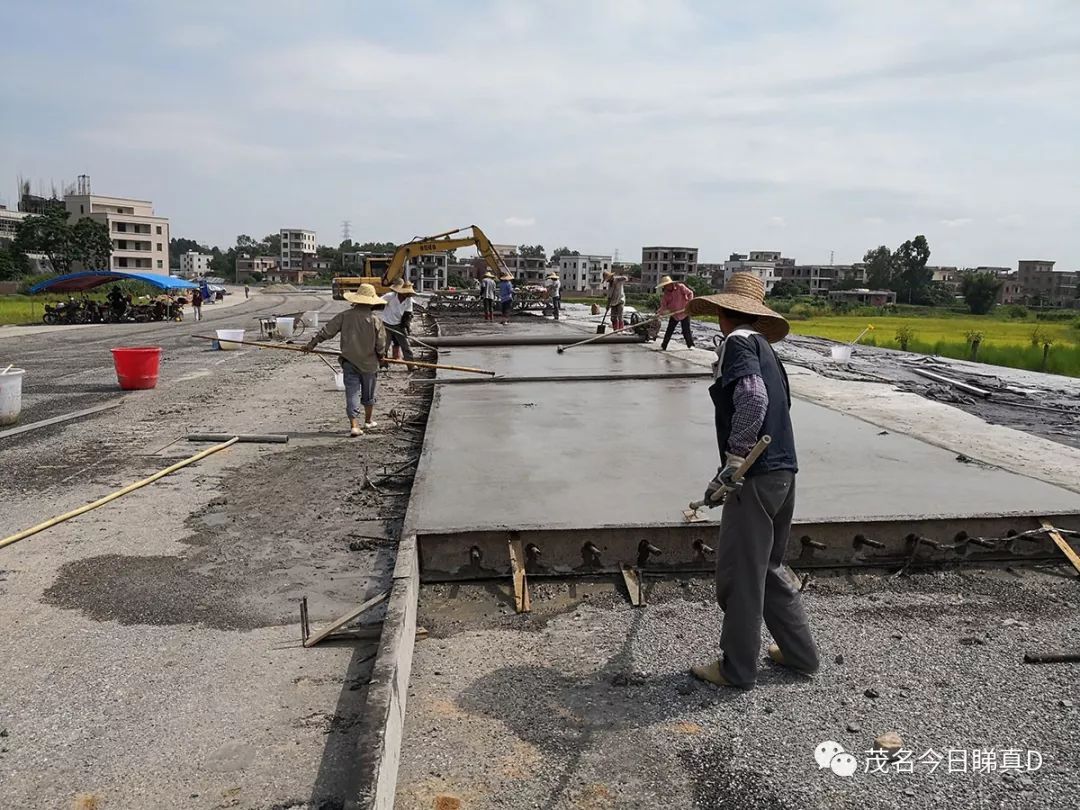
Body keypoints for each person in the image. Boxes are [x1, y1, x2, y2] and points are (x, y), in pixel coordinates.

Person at [687, 273, 818, 690]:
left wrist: (735, 459)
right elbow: (778, 404)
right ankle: (800, 654)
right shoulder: (767, 350)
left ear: (724, 312)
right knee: (769, 568)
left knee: (742, 574)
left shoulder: (737, 343)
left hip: (756, 477)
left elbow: (753, 398)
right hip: (783, 472)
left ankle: (737, 669)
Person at [303, 282, 389, 437]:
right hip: (369, 364)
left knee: (352, 393)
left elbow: (326, 331)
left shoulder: (345, 316)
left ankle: (354, 425)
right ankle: (368, 421)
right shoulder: (375, 320)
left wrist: (312, 344)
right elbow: (381, 343)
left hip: (349, 362)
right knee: (368, 393)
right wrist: (382, 357)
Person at [381, 280, 416, 366]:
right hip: (386, 324)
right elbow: (378, 302)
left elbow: (407, 315)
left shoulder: (408, 300)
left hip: (399, 325)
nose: (406, 295)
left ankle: (411, 364)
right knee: (384, 346)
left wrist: (406, 327)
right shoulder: (390, 296)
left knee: (406, 346)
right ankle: (382, 363)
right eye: (405, 293)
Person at [656, 275, 695, 350]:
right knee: (669, 330)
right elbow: (663, 306)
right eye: (665, 286)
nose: (667, 287)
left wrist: (689, 304)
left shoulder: (680, 287)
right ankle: (664, 346)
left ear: (671, 284)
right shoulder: (666, 295)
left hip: (684, 312)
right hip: (675, 314)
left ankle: (690, 345)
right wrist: (659, 313)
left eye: (667, 285)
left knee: (686, 330)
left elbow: (690, 293)